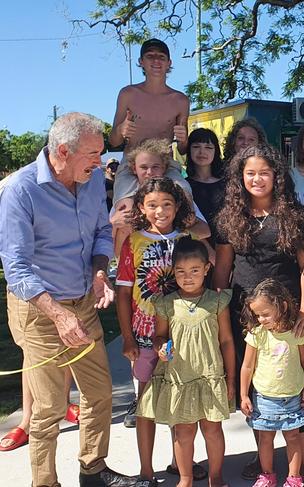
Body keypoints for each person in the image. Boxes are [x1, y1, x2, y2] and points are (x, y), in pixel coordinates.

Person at [0, 112, 133, 486]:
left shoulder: (90, 182)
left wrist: (99, 273)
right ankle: (45, 482)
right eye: (93, 153)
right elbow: (17, 269)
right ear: (63, 150)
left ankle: (94, 471)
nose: (101, 161)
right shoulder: (21, 189)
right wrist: (58, 315)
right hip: (39, 310)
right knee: (49, 408)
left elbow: (100, 233)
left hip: (83, 304)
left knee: (99, 393)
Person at [213, 144, 304, 486]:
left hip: (288, 316)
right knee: (258, 389)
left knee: (294, 386)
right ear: (240, 177)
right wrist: (215, 315)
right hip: (247, 317)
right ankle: (264, 462)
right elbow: (223, 271)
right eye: (250, 173)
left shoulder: (296, 215)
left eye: (264, 172)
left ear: (276, 175)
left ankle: (302, 463)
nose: (257, 179)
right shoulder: (230, 217)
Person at [115, 177, 195, 486]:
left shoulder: (188, 240)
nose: (160, 210)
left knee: (180, 401)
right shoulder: (133, 242)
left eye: (166, 204)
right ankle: (146, 470)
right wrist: (126, 337)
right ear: (141, 208)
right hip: (144, 337)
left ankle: (180, 463)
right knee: (146, 403)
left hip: (182, 336)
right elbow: (123, 294)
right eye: (152, 205)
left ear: (177, 206)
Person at [137, 236, 236, 486]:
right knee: (183, 431)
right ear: (174, 272)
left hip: (210, 375)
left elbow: (226, 341)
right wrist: (160, 348)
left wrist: (231, 379)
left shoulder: (217, 301)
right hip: (179, 378)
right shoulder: (167, 304)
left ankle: (216, 476)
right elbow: (159, 336)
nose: (188, 277)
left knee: (212, 430)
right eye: (181, 271)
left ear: (206, 269)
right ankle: (185, 478)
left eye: (194, 271)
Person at [108, 38, 192, 222]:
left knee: (185, 197)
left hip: (166, 165)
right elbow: (114, 142)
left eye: (161, 57)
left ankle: (188, 248)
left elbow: (183, 149)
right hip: (131, 166)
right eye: (150, 56)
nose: (156, 61)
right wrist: (121, 130)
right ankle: (120, 250)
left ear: (169, 63)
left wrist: (184, 139)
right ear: (141, 61)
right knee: (124, 212)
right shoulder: (128, 94)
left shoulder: (180, 100)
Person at [240, 279, 304, 487]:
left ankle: (294, 477)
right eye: (257, 315)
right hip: (264, 398)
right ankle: (267, 475)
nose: (261, 319)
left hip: (292, 396)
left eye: (265, 314)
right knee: (265, 439)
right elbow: (247, 366)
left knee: (293, 438)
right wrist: (244, 395)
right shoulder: (256, 334)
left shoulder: (296, 332)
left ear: (283, 305)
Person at [111, 138, 210, 257]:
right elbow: (117, 246)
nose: (150, 172)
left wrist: (166, 240)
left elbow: (204, 229)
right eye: (143, 167)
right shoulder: (127, 200)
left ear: (164, 168)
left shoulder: (175, 195)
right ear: (134, 169)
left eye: (155, 167)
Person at [186, 128, 227, 242]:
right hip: (199, 251)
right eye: (196, 147)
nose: (202, 152)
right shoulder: (184, 186)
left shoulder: (228, 184)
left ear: (216, 151)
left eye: (208, 147)